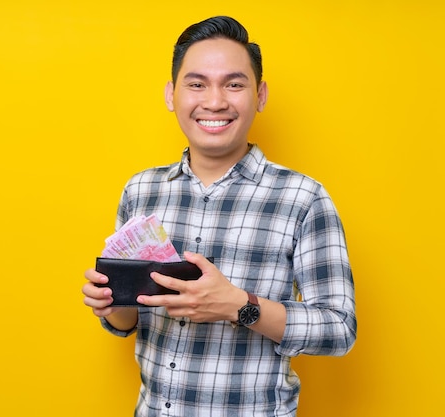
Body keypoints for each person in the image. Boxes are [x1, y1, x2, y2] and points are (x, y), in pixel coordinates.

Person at [82, 15, 356, 417]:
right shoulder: (140, 190)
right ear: (171, 95)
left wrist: (238, 306)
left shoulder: (304, 198)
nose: (214, 101)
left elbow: (339, 329)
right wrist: (111, 304)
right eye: (196, 84)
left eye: (234, 84)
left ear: (260, 95)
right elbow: (129, 322)